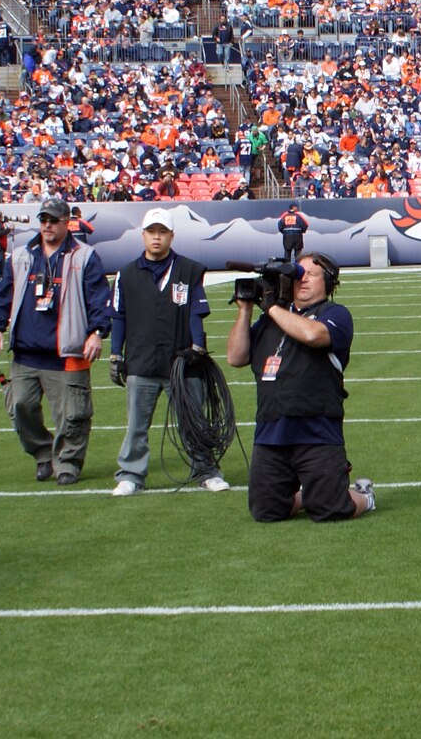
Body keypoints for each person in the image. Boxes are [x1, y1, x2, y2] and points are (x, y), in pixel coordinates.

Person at [225, 253, 376, 523]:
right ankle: (312, 494)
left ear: (328, 283)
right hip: (271, 431)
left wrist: (271, 306)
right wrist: (246, 309)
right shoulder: (272, 318)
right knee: (266, 511)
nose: (302, 279)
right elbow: (235, 357)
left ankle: (364, 496)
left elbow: (312, 335)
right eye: (297, 274)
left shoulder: (335, 314)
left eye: (311, 274)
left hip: (316, 431)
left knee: (332, 510)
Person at [0, 197, 111, 485]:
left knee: (73, 416)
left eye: (53, 220)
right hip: (26, 353)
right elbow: (1, 296)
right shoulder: (21, 256)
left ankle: (68, 463)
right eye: (43, 220)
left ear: (67, 222)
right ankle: (43, 454)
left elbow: (99, 299)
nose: (48, 225)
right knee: (20, 407)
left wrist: (97, 332)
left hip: (67, 352)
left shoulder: (84, 256)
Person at [109, 209, 227, 496]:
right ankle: (131, 475)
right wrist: (115, 355)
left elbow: (196, 312)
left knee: (194, 422)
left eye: (162, 232)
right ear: (143, 235)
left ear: (171, 236)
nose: (157, 237)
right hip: (141, 361)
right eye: (152, 231)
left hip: (182, 362)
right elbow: (118, 316)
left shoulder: (188, 270)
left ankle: (206, 470)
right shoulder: (126, 274)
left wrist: (197, 346)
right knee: (137, 425)